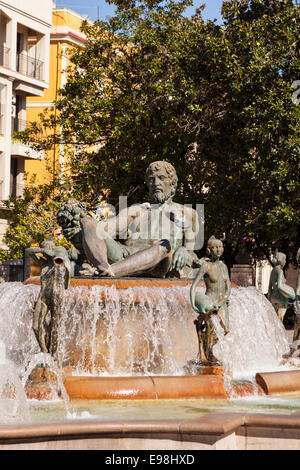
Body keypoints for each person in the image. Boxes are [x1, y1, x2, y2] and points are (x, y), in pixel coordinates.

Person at [57, 161, 200, 278]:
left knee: (165, 246)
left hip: (159, 263)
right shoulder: (138, 210)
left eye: (161, 178)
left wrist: (184, 250)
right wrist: (81, 223)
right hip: (124, 257)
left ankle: (108, 272)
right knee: (90, 223)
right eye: (151, 180)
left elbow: (191, 249)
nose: (156, 183)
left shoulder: (187, 213)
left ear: (173, 183)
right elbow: (107, 229)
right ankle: (103, 267)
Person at [190, 236, 231, 365]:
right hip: (210, 302)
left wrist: (223, 301)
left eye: (220, 247)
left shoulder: (224, 267)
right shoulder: (206, 266)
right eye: (214, 247)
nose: (218, 250)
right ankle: (207, 354)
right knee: (209, 330)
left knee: (225, 330)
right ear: (208, 250)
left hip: (221, 304)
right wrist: (194, 304)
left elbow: (228, 289)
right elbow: (194, 286)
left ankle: (208, 352)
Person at [26, 240, 71, 355]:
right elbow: (29, 251)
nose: (46, 252)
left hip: (57, 297)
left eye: (48, 248)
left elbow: (68, 273)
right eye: (44, 248)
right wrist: (42, 251)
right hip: (43, 297)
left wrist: (59, 256)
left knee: (55, 328)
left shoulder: (61, 261)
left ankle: (53, 355)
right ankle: (44, 351)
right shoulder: (43, 263)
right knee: (36, 326)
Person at [268, 251, 295, 323]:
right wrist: (291, 294)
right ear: (281, 260)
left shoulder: (273, 271)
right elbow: (280, 286)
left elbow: (269, 287)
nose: (285, 261)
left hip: (273, 298)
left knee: (274, 321)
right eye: (285, 259)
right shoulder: (280, 271)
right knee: (279, 321)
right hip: (281, 299)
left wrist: (269, 299)